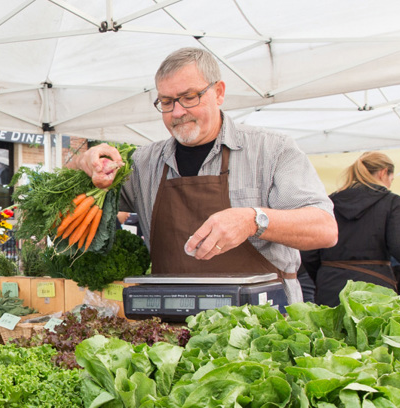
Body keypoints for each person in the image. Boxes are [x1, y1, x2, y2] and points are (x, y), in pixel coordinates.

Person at [67, 47, 338, 303]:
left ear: (219, 92)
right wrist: (84, 162)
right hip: (170, 324)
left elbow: (325, 229)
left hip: (260, 324)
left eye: (189, 97)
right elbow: (70, 191)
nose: (178, 112)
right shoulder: (144, 163)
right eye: (167, 102)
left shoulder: (271, 150)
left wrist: (253, 220)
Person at [301, 151, 400, 306]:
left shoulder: (329, 203)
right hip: (375, 290)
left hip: (330, 288)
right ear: (383, 173)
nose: (390, 185)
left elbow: (309, 251)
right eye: (391, 179)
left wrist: (327, 274)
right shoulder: (392, 203)